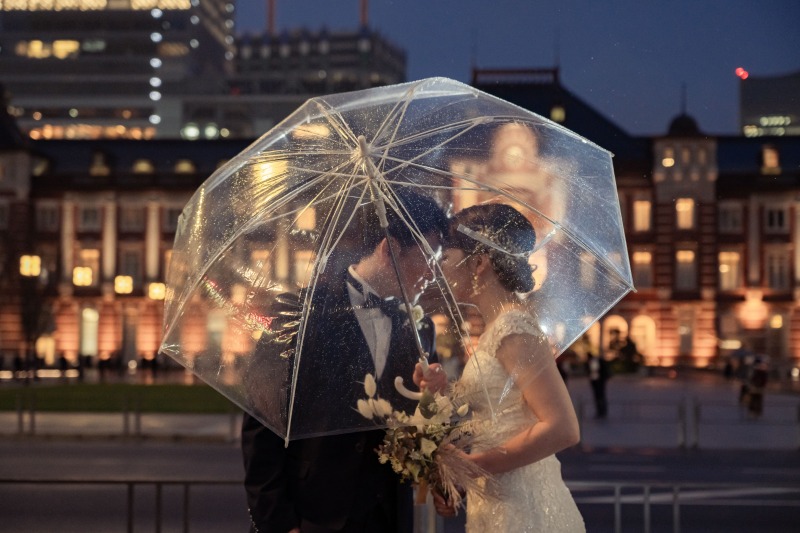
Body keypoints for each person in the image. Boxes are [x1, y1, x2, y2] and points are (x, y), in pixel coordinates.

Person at [241, 189, 449, 533]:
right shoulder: (299, 315)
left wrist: (434, 397)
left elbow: (419, 425)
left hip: (387, 516)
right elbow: (261, 426)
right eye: (429, 257)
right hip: (312, 516)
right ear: (390, 249)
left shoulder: (420, 327)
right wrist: (279, 524)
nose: (433, 273)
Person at [435, 204, 585, 532]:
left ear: (478, 263)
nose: (440, 266)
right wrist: (438, 392)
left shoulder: (513, 328)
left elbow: (563, 427)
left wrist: (476, 466)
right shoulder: (494, 328)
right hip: (496, 501)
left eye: (446, 256)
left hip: (525, 508)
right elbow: (496, 415)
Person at [586, 350, 610, 419]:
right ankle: (601, 411)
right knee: (599, 396)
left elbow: (596, 371)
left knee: (600, 396)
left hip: (599, 382)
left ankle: (602, 411)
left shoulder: (595, 361)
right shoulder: (593, 361)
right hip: (596, 382)